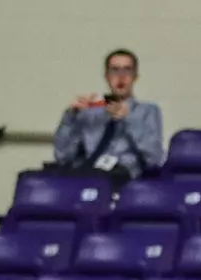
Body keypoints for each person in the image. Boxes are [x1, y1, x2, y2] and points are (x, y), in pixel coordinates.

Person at [53, 48, 164, 182]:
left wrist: (128, 120)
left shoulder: (147, 111)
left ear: (135, 76)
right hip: (89, 175)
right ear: (106, 76)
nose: (121, 76)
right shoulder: (90, 113)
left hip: (127, 179)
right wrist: (70, 117)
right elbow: (62, 156)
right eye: (115, 70)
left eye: (127, 70)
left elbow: (154, 158)